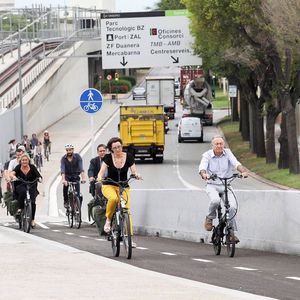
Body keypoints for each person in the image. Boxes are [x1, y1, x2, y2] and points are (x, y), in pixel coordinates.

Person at [198, 135, 248, 242]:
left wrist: (242, 171)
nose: (219, 146)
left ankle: (231, 232)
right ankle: (209, 218)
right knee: (215, 201)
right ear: (212, 145)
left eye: (221, 144)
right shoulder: (207, 155)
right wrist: (204, 174)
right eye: (217, 144)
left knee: (233, 207)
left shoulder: (228, 153)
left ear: (223, 144)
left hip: (226, 185)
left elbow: (236, 163)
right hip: (212, 185)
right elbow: (202, 167)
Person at [97, 137, 140, 233]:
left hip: (123, 186)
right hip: (109, 185)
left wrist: (136, 174)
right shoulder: (107, 158)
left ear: (122, 146)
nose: (117, 149)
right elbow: (101, 172)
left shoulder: (129, 156)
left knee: (127, 211)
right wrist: (99, 177)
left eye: (119, 147)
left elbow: (134, 170)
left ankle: (129, 238)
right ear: (111, 149)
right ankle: (108, 220)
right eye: (115, 148)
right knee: (113, 199)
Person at [9, 153, 42, 228]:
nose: (24, 161)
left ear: (28, 161)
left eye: (26, 160)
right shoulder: (18, 167)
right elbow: (12, 173)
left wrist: (39, 178)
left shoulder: (32, 167)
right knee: (23, 192)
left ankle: (32, 220)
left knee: (33, 202)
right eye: (23, 160)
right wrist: (13, 176)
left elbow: (38, 175)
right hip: (21, 184)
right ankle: (20, 208)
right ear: (21, 161)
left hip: (31, 185)